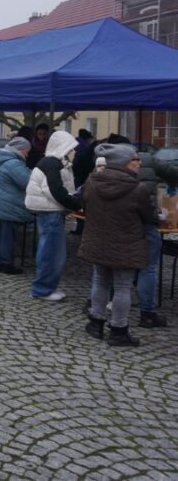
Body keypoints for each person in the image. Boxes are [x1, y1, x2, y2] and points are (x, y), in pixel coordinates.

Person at [80, 144, 157, 347]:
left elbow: (85, 206)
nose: (139, 163)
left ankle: (96, 323)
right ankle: (118, 330)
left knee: (100, 280)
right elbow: (149, 216)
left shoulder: (92, 181)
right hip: (126, 244)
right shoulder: (137, 188)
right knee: (122, 287)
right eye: (134, 160)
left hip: (98, 240)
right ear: (123, 163)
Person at [24, 130, 81, 301]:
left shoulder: (53, 163)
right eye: (72, 149)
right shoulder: (52, 164)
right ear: (64, 148)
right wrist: (76, 205)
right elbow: (56, 191)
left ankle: (45, 287)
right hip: (51, 213)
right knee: (52, 252)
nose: (74, 152)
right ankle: (43, 289)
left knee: (51, 251)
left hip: (51, 211)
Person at [131, 143, 178, 328]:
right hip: (147, 221)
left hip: (123, 223)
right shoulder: (150, 160)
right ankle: (147, 312)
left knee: (116, 266)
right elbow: (173, 174)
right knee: (148, 267)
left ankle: (101, 306)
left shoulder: (111, 163)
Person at [0, 137, 33, 275]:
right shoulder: (14, 164)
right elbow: (27, 182)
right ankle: (6, 263)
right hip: (7, 204)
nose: (28, 154)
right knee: (7, 235)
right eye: (27, 151)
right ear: (20, 149)